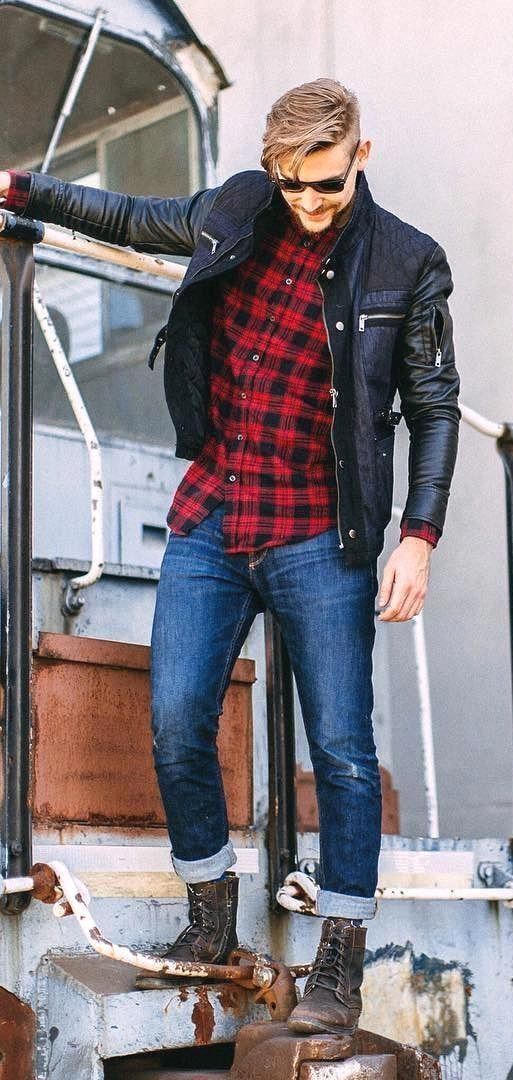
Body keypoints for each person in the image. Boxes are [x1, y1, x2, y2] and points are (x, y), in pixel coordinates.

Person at [0, 78, 460, 1037]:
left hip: (320, 531)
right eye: (292, 183)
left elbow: (433, 408)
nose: (308, 202)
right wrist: (23, 191)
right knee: (176, 721)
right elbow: (132, 216)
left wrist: (417, 536)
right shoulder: (240, 209)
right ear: (269, 168)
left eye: (326, 184)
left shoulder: (406, 261)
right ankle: (210, 909)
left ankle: (340, 954)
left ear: (360, 155)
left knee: (341, 751)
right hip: (213, 511)